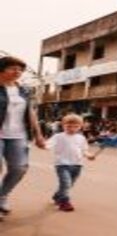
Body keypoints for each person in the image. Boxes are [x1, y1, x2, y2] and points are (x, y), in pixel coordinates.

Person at [0, 56, 46, 220]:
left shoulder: (24, 90)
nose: (17, 72)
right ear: (2, 69)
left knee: (19, 168)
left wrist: (39, 135)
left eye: (20, 69)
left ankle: (2, 195)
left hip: (18, 135)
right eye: (13, 68)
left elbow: (31, 113)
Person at [46, 114, 95, 212]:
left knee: (69, 184)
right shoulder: (58, 136)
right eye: (68, 126)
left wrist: (89, 155)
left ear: (80, 126)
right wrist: (43, 145)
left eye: (75, 126)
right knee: (66, 183)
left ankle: (57, 196)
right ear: (63, 125)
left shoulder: (81, 138)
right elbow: (48, 145)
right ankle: (64, 202)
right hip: (62, 164)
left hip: (77, 165)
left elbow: (84, 150)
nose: (72, 128)